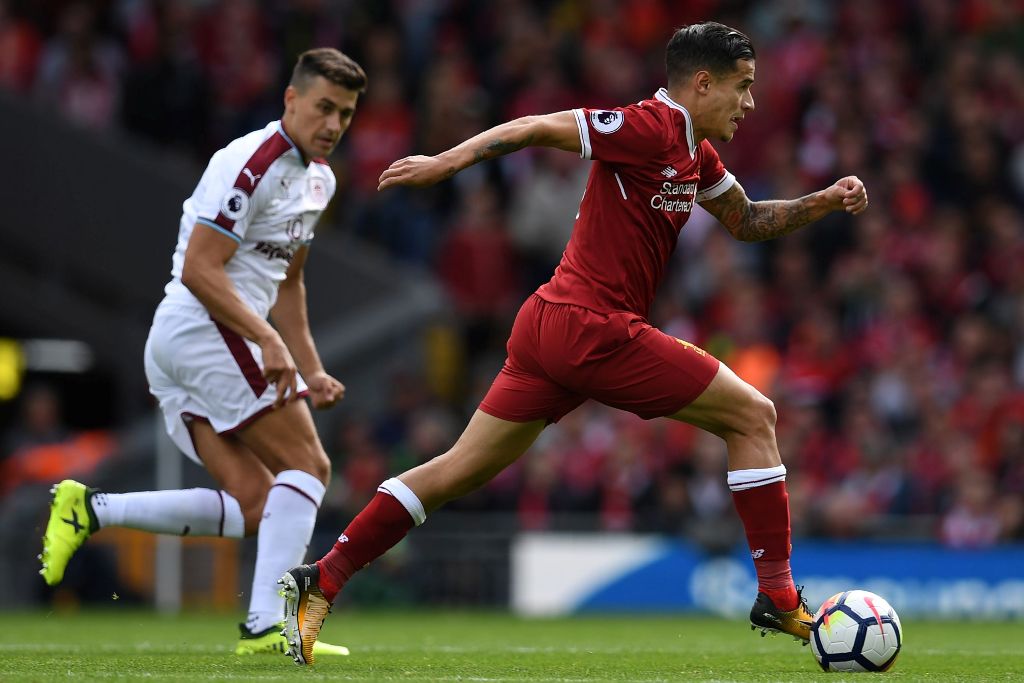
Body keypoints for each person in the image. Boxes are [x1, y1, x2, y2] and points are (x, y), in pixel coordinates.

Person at [278, 22, 870, 665]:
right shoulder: (648, 127)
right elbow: (537, 126)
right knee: (754, 415)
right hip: (592, 327)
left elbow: (746, 221)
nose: (750, 103)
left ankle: (322, 578)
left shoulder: (696, 154)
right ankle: (779, 596)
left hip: (553, 327)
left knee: (453, 472)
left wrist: (824, 201)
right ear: (702, 84)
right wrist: (445, 162)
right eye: (742, 87)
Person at [39, 47, 365, 658]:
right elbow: (199, 269)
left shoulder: (321, 179)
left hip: (193, 342)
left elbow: (288, 281)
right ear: (291, 100)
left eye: (345, 114)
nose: (333, 124)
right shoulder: (250, 162)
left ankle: (90, 509)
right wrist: (267, 339)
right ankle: (268, 625)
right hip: (204, 328)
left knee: (257, 502)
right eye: (324, 107)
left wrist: (312, 367)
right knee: (311, 466)